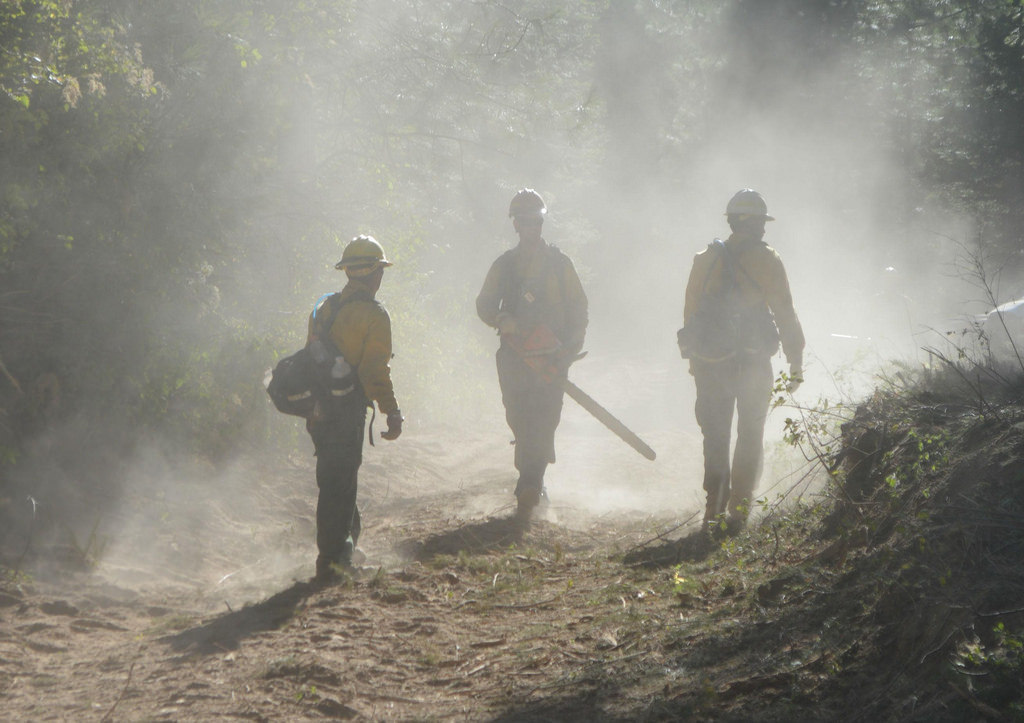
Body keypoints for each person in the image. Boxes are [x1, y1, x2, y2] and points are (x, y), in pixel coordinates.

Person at [681, 189, 804, 538]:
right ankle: (739, 511)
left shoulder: (704, 258)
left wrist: (694, 362)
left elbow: (691, 315)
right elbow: (784, 312)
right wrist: (795, 359)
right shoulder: (768, 260)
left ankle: (713, 506)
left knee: (715, 433)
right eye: (762, 223)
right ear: (753, 223)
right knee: (750, 432)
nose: (765, 230)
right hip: (751, 361)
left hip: (710, 360)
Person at [476, 189, 589, 521]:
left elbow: (578, 306)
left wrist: (572, 345)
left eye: (536, 221)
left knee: (546, 418)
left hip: (552, 358)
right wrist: (501, 319)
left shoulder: (559, 264)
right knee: (520, 417)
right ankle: (531, 481)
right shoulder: (504, 265)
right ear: (516, 224)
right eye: (525, 221)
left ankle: (530, 484)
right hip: (513, 358)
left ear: (542, 222)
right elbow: (483, 304)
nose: (532, 227)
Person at [307, 235, 403, 581]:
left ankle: (345, 545)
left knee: (336, 480)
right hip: (347, 411)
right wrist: (392, 411)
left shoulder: (324, 307)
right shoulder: (375, 315)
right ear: (374, 274)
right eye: (380, 271)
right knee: (339, 484)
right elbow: (374, 372)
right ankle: (333, 564)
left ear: (348, 272)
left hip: (317, 410)